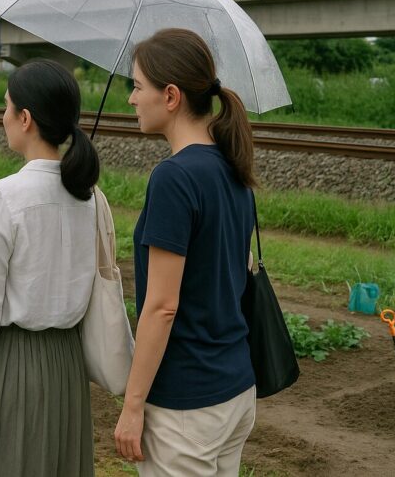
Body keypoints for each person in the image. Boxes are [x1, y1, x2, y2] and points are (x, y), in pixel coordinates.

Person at [0, 59, 102, 477]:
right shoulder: (90, 198)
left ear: (26, 118)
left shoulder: (5, 196)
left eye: (6, 106)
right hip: (67, 367)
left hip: (14, 365)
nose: (3, 117)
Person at [114, 28, 257, 476]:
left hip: (186, 405)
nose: (132, 100)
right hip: (234, 389)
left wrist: (132, 405)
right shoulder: (232, 167)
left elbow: (161, 307)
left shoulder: (174, 178)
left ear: (171, 95)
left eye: (138, 87)